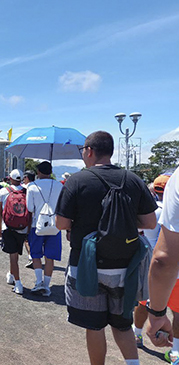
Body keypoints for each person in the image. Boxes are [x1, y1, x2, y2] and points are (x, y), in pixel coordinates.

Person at [55, 131, 157, 365]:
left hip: (86, 265)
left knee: (94, 325)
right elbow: (150, 222)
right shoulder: (132, 179)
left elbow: (62, 223)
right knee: (122, 325)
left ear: (89, 151)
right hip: (125, 267)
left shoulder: (77, 181)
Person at [131, 174, 167, 349]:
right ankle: (174, 348)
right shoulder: (171, 211)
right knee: (175, 309)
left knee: (143, 302)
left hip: (151, 266)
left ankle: (136, 334)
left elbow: (137, 229)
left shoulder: (153, 211)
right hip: (173, 269)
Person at [146, 167, 179, 351]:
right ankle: (176, 352)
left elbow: (163, 259)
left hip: (163, 276)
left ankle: (137, 332)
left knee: (143, 306)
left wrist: (157, 314)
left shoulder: (154, 212)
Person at [25, 161, 63, 297]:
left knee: (36, 255)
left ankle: (38, 282)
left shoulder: (32, 186)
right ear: (51, 171)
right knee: (50, 257)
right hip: (55, 225)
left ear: (39, 172)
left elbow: (29, 208)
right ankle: (47, 286)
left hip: (37, 225)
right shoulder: (59, 185)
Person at [0, 169, 29, 295]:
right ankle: (11, 275)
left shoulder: (4, 191)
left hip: (8, 227)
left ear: (10, 178)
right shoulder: (25, 191)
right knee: (14, 255)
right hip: (22, 227)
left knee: (13, 257)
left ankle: (18, 283)